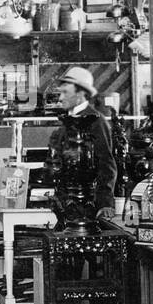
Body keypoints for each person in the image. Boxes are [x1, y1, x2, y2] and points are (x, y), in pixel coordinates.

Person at [50, 67, 118, 224]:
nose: (60, 98)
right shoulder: (67, 120)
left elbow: (106, 163)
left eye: (65, 92)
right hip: (67, 202)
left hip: (87, 205)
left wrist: (105, 203)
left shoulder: (96, 121)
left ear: (80, 94)